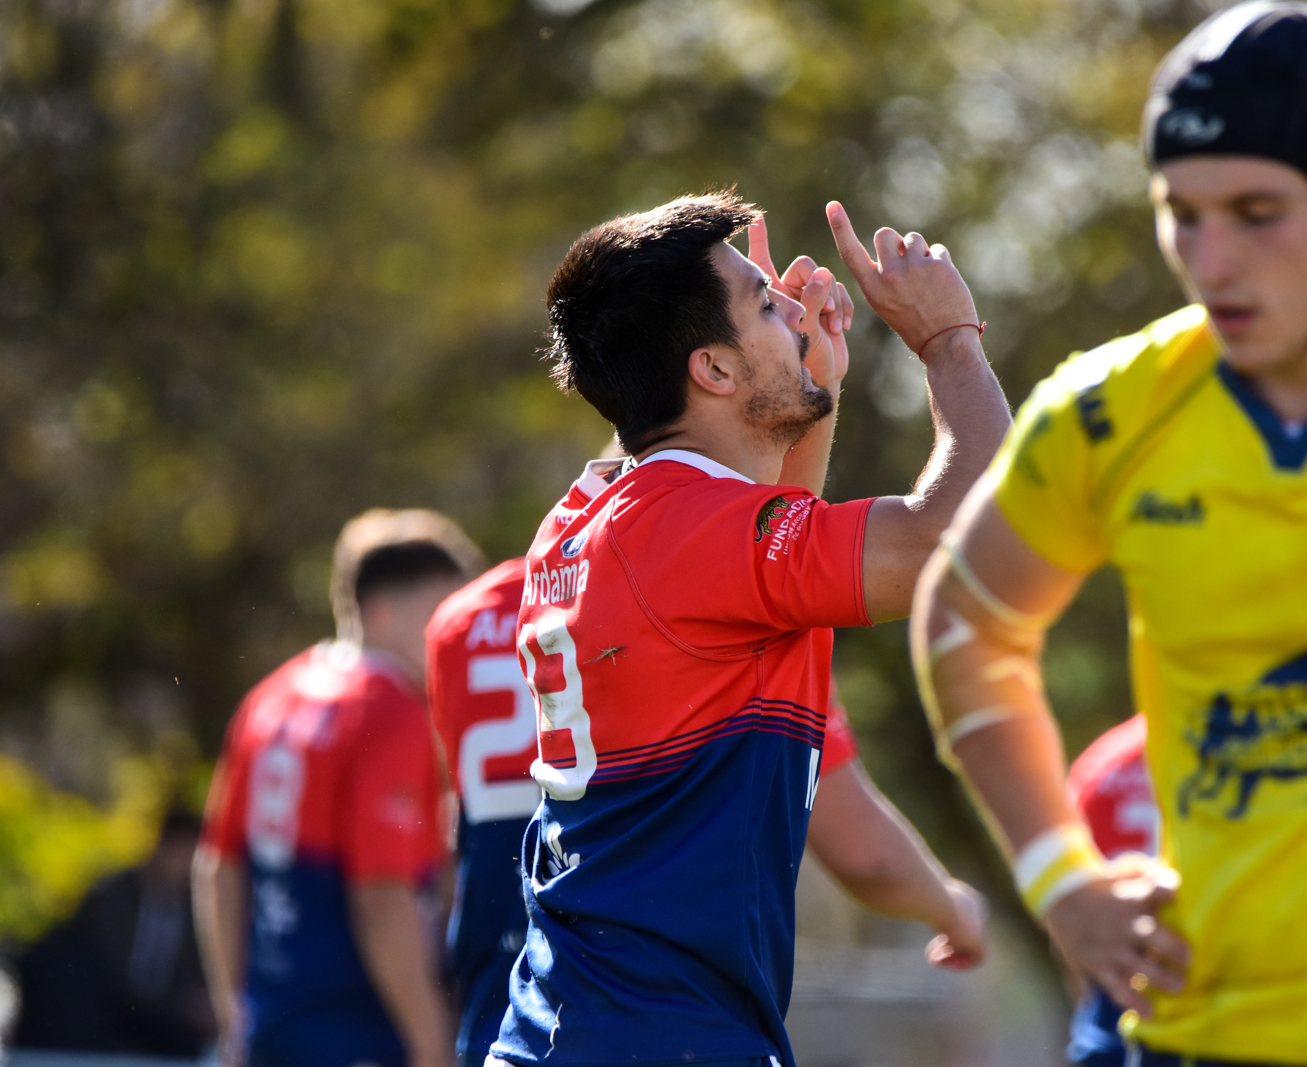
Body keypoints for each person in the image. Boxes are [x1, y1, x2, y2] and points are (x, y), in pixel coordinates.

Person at [913, 2, 1307, 1063]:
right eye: (1182, 212)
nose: (1212, 260)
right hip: (1201, 1022)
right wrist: (1060, 882)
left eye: (1257, 213)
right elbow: (964, 626)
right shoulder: (1107, 413)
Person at [481, 193, 1010, 1067]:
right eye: (765, 306)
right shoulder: (691, 533)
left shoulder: (588, 516)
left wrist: (811, 388)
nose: (794, 312)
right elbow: (956, 543)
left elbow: (766, 561)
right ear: (715, 370)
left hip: (569, 1031)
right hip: (661, 1042)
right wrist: (949, 339)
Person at [426, 470, 986, 1063]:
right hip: (664, 1015)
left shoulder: (468, 617)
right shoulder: (733, 573)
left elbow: (441, 829)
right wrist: (953, 908)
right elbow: (864, 851)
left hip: (513, 1009)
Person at [194, 509, 480, 1067]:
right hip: (360, 1032)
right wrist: (429, 1040)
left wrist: (235, 1016)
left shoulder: (273, 697)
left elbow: (219, 869)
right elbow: (381, 897)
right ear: (382, 611)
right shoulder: (388, 710)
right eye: (443, 612)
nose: (456, 635)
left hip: (273, 1031)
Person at [13, 808, 216, 1057]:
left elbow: (193, 974)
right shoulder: (111, 898)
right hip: (106, 1019)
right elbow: (104, 971)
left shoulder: (196, 909)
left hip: (166, 1029)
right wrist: (173, 1005)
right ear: (164, 847)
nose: (190, 867)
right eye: (185, 854)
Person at [1062, 716, 1153, 1067]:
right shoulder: (1249, 745)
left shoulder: (1101, 764)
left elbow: (1070, 912)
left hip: (1115, 994)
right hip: (1215, 989)